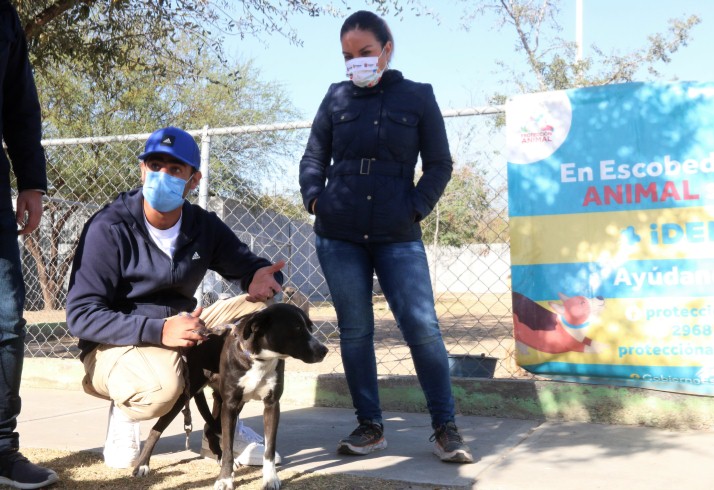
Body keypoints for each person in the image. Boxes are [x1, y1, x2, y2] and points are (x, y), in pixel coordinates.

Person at [298, 10, 473, 464]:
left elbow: (440, 164)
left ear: (387, 50)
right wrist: (316, 200)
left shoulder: (417, 96)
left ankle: (445, 428)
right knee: (356, 332)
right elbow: (313, 158)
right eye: (347, 56)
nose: (356, 62)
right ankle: (370, 427)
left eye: (365, 53)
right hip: (338, 235)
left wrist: (416, 207)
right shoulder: (335, 98)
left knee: (422, 327)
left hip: (398, 233)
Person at [66, 126, 284, 469]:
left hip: (182, 324)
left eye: (175, 170)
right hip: (117, 341)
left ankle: (220, 431)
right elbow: (80, 316)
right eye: (155, 166)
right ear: (142, 170)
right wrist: (158, 330)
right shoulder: (109, 226)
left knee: (265, 311)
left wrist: (259, 277)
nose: (162, 176)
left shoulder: (202, 226)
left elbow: (250, 266)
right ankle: (125, 413)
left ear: (193, 180)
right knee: (162, 389)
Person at [0, 1, 61, 488]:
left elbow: (21, 104)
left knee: (4, 319)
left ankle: (1, 448)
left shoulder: (4, 13)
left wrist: (31, 182)